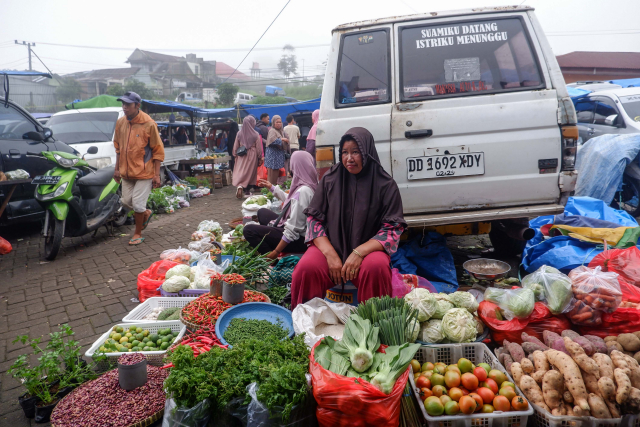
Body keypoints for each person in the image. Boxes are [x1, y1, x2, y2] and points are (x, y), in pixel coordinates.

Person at [290, 127, 406, 308]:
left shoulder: (385, 185)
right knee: (306, 269)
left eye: (355, 152)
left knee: (376, 268)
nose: (349, 158)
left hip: (368, 252)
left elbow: (392, 230)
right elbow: (314, 220)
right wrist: (330, 255)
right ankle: (304, 325)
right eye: (344, 152)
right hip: (330, 246)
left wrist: (359, 253)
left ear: (367, 152)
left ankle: (374, 325)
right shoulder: (330, 179)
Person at [113, 91, 165, 246]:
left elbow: (158, 150)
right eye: (123, 104)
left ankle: (137, 233)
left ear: (137, 105)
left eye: (128, 104)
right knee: (125, 201)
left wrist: (156, 175)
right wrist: (117, 169)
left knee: (137, 204)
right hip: (126, 172)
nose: (124, 107)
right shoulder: (121, 123)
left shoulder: (148, 124)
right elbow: (118, 148)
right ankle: (145, 213)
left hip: (145, 172)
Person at [243, 151, 318, 258]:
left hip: (300, 240)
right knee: (262, 212)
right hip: (302, 233)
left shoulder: (304, 191)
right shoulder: (310, 183)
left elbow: (293, 229)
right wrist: (272, 188)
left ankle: (271, 259)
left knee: (249, 230)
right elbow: (292, 202)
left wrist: (276, 252)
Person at [232, 116, 263, 199]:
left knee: (241, 171)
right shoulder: (255, 134)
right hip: (252, 155)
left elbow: (235, 145)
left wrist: (235, 155)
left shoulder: (239, 133)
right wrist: (260, 157)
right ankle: (247, 191)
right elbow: (258, 147)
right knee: (250, 173)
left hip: (241, 155)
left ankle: (240, 185)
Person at [264, 115, 288, 185]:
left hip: (277, 158)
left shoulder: (280, 131)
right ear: (273, 123)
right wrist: (282, 139)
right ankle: (270, 192)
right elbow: (272, 141)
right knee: (272, 177)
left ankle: (272, 191)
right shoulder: (272, 131)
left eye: (280, 122)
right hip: (273, 158)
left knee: (275, 176)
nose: (279, 124)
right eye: (277, 122)